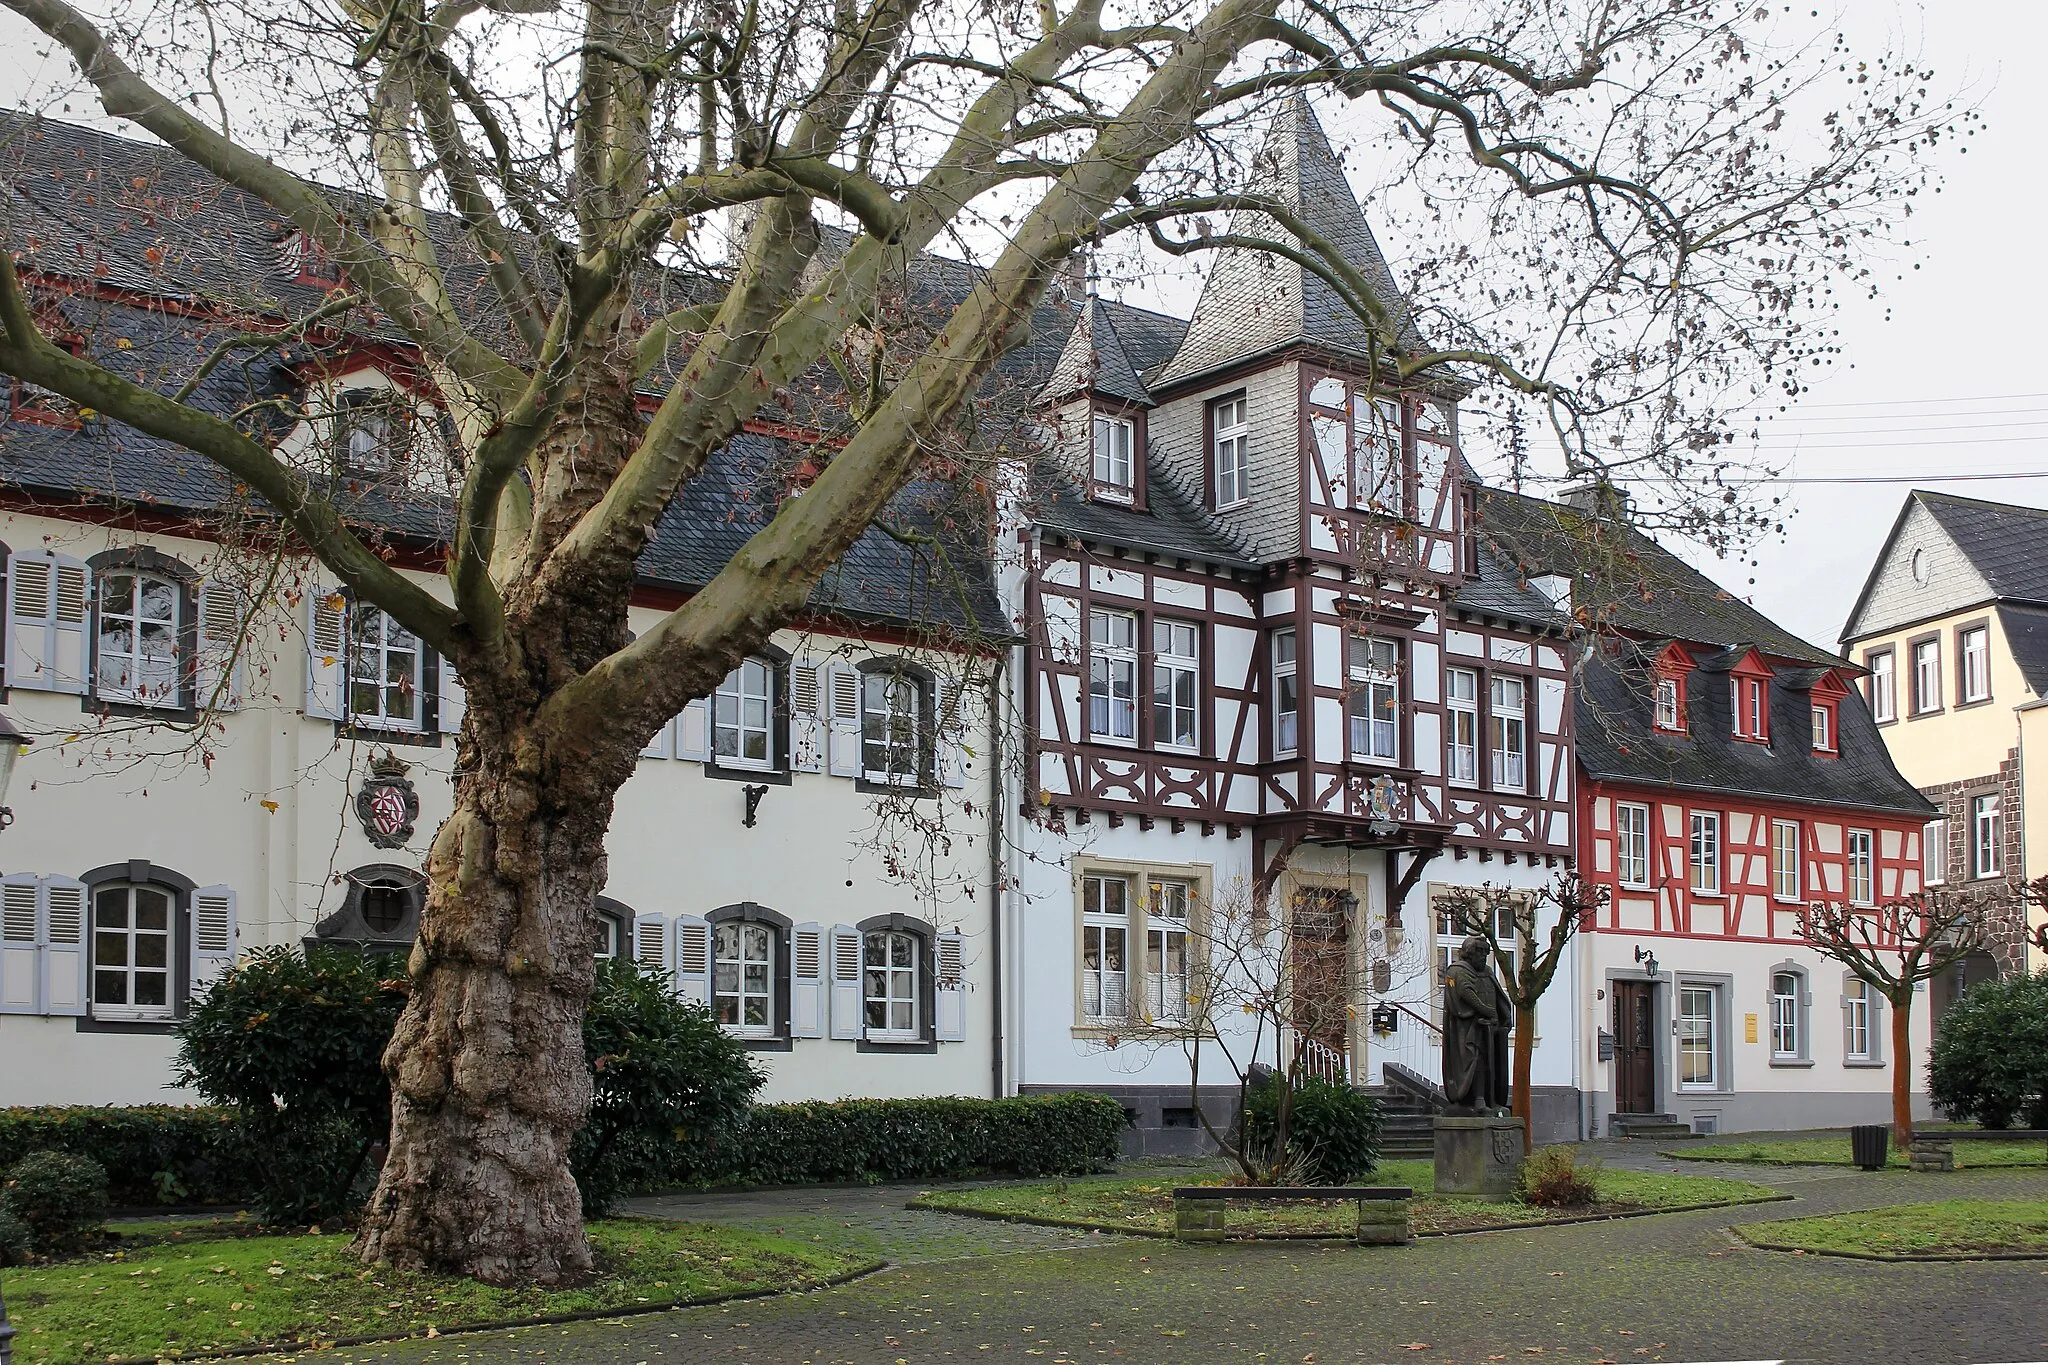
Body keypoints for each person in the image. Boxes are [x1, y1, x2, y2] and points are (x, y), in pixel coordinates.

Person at [1442, 933, 1511, 1113]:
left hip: (1489, 1027)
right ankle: (1477, 1099)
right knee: (1474, 1061)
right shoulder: (1457, 971)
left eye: (1485, 952)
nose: (1482, 956)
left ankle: (1490, 1099)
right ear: (1469, 953)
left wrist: (1504, 1014)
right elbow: (1465, 993)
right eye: (1479, 952)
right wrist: (1484, 1009)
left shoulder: (1487, 971)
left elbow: (1497, 994)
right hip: (1466, 1030)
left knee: (1490, 1063)